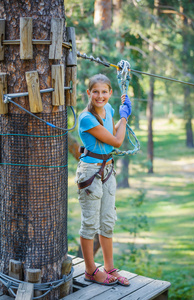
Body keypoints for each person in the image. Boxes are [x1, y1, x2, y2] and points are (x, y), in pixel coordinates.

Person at [75, 73, 131, 286]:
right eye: (95, 92)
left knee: (107, 221)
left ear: (110, 93)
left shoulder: (108, 109)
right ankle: (90, 270)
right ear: (89, 93)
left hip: (107, 169)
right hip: (90, 172)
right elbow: (117, 141)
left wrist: (121, 117)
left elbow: (112, 134)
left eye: (104, 92)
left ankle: (109, 267)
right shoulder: (86, 118)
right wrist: (125, 117)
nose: (100, 96)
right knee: (90, 223)